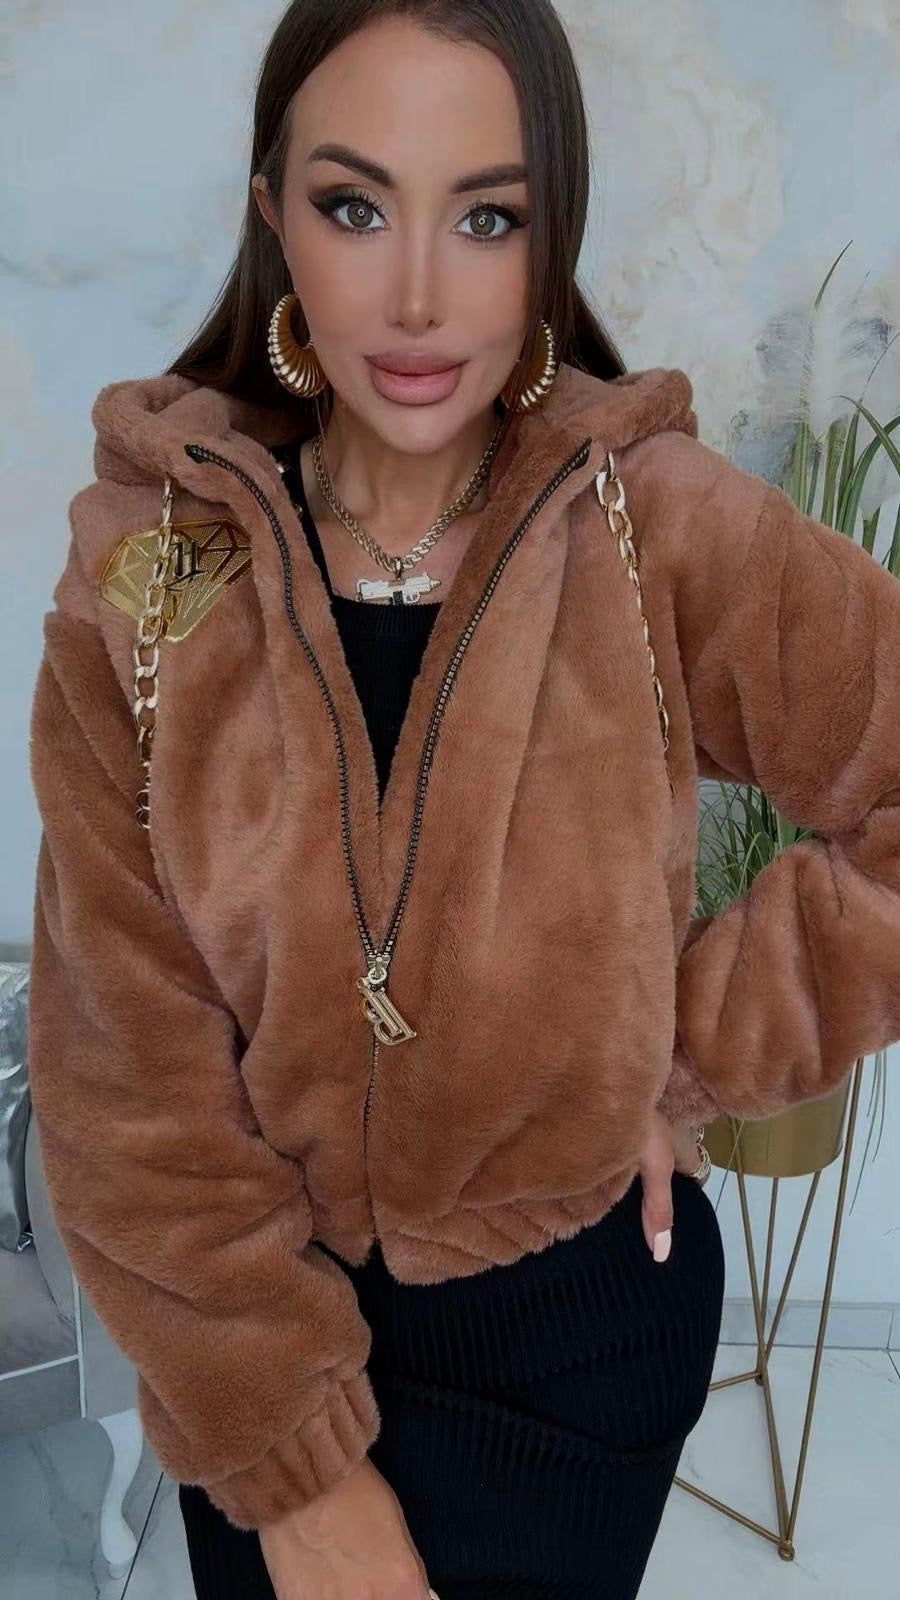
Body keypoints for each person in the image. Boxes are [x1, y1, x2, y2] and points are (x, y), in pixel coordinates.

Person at [25, 2, 900, 1598]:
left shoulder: (656, 529)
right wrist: (293, 1466)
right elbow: (121, 1081)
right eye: (356, 206)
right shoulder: (148, 580)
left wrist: (678, 1056)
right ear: (273, 213)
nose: (419, 294)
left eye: (486, 217)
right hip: (263, 1357)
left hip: (582, 1340)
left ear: (551, 235)